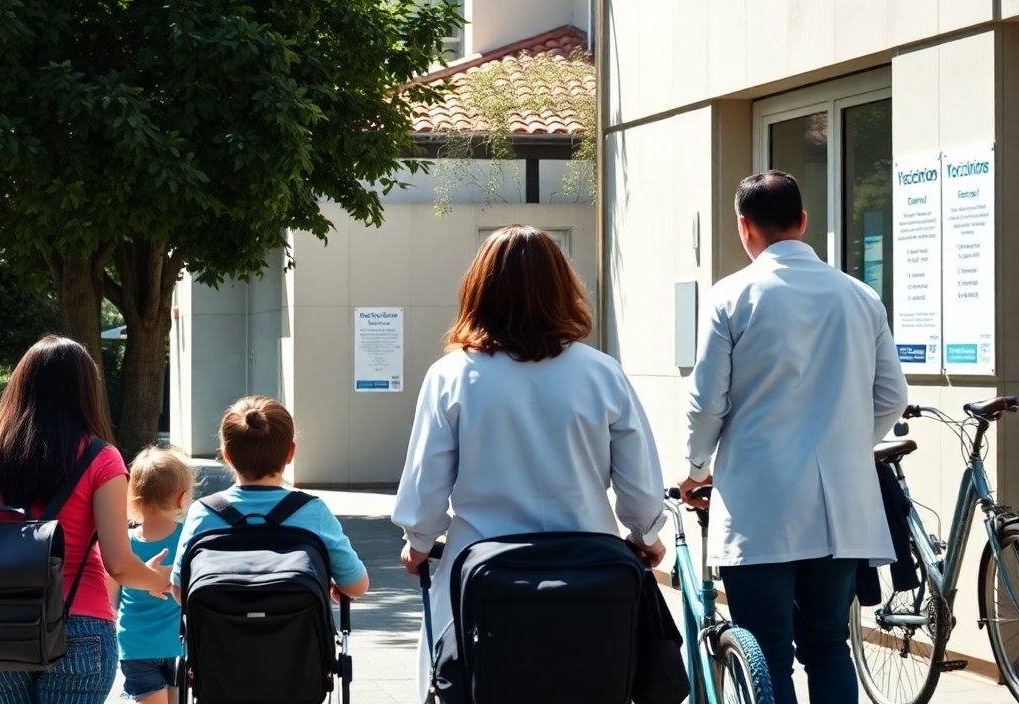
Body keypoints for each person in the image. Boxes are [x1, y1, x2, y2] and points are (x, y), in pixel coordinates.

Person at [392, 224, 667, 701]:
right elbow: (639, 484)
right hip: (590, 571)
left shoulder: (453, 375)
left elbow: (426, 484)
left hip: (479, 571)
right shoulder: (602, 372)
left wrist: (418, 543)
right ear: (563, 289)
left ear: (480, 290)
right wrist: (646, 535)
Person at [680, 170, 909, 704]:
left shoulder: (731, 297)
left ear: (744, 228)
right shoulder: (860, 296)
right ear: (804, 222)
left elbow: (706, 402)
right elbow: (892, 397)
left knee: (767, 653)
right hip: (841, 508)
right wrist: (851, 443)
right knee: (829, 645)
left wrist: (695, 470)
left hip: (762, 504)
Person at [0, 336, 172, 704]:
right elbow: (118, 562)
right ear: (86, 390)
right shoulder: (102, 458)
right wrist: (156, 581)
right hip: (80, 624)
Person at [170, 396, 369, 601]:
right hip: (298, 633)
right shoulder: (314, 511)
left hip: (217, 633)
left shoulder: (202, 512)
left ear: (226, 455)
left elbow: (179, 590)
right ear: (290, 453)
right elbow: (357, 585)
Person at [116, 446, 193, 704]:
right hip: (178, 646)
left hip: (135, 647)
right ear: (182, 498)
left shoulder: (122, 544)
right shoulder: (188, 539)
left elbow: (108, 599)